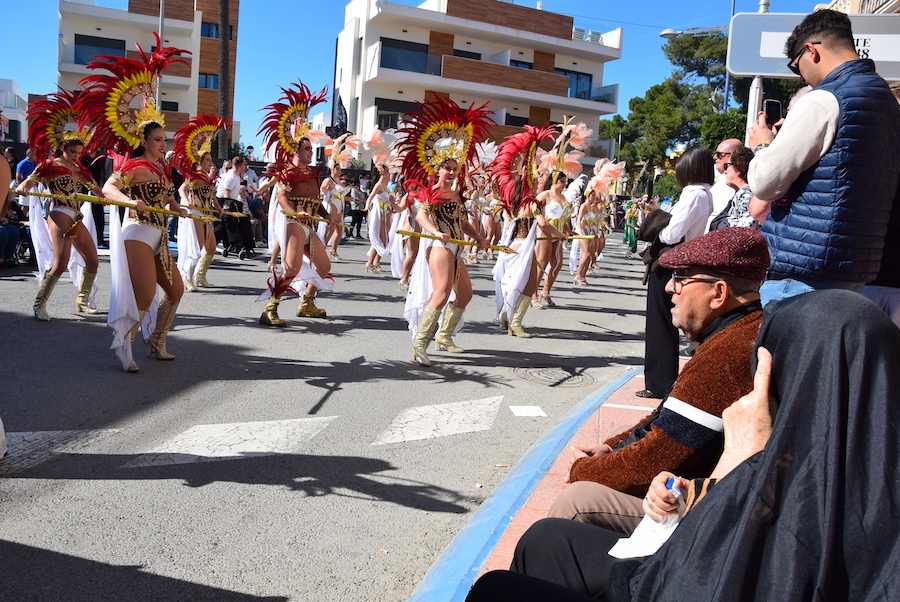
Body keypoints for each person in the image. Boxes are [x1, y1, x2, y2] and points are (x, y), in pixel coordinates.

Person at [467, 288, 900, 601]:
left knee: (498, 584)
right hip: (685, 550)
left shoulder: (755, 414)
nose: (670, 287)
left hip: (680, 577)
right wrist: (690, 492)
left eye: (683, 276)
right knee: (548, 540)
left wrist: (736, 464)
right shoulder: (860, 454)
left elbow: (710, 574)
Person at [548, 226, 766, 534]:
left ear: (718, 293)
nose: (669, 289)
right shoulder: (738, 332)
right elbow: (666, 418)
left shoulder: (728, 355)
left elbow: (655, 458)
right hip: (710, 498)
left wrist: (583, 469)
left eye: (682, 278)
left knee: (576, 501)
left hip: (709, 518)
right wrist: (611, 448)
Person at [748, 9, 900, 306]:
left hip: (803, 269)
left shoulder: (824, 99)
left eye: (796, 67)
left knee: (777, 352)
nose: (801, 76)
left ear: (810, 51)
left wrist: (763, 146)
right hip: (858, 267)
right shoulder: (885, 100)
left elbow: (765, 184)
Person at [81, 34, 190, 372]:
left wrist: (178, 208)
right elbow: (107, 189)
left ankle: (157, 340)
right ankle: (124, 345)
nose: (163, 144)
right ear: (144, 140)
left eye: (165, 140)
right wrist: (130, 200)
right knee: (144, 296)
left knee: (176, 290)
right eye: (158, 140)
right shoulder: (133, 165)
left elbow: (169, 199)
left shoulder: (161, 168)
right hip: (137, 233)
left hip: (158, 236)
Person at [398, 96, 493, 367]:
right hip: (439, 248)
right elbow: (421, 214)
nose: (451, 172)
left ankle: (444, 336)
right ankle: (419, 344)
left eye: (454, 168)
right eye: (447, 168)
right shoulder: (435, 191)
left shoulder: (456, 194)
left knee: (465, 295)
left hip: (456, 249)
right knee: (440, 294)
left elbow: (463, 223)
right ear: (437, 168)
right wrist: (436, 233)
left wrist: (480, 238)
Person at [16, 90, 102, 320]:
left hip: (76, 215)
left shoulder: (81, 170)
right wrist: (24, 186)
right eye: (73, 152)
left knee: (93, 261)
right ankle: (39, 304)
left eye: (79, 153)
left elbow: (97, 190)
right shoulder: (49, 166)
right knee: (61, 263)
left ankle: (82, 301)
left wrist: (122, 197)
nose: (76, 156)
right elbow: (28, 181)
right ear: (62, 148)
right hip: (59, 214)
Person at [638, 144, 714, 399]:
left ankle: (659, 383)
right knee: (667, 321)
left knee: (659, 323)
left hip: (669, 259)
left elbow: (672, 233)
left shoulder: (693, 193)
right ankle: (661, 381)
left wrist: (657, 223)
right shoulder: (705, 194)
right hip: (684, 260)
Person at [257, 81, 335, 326]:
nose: (311, 152)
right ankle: (270, 309)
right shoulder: (288, 172)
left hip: (308, 224)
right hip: (293, 223)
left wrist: (327, 214)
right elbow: (281, 197)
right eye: (307, 148)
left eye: (312, 148)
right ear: (296, 149)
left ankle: (306, 303)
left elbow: (316, 201)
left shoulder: (312, 173)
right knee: (291, 268)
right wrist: (295, 213)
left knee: (324, 264)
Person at [491, 124, 564, 338]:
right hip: (523, 247)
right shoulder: (531, 203)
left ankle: (506, 317)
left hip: (512, 246)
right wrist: (560, 234)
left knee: (512, 283)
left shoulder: (515, 202)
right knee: (529, 284)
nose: (538, 184)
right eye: (535, 181)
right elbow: (542, 224)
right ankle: (515, 323)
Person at [172, 115, 229, 292]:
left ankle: (200, 276)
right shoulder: (194, 176)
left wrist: (218, 207)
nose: (210, 163)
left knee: (211, 247)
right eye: (208, 160)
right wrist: (187, 202)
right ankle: (186, 277)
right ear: (200, 161)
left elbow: (211, 196)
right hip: (195, 213)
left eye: (210, 160)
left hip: (207, 214)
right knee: (196, 247)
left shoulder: (207, 178)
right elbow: (181, 189)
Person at [709, 146, 759, 231]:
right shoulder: (741, 193)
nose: (725, 172)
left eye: (727, 166)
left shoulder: (746, 195)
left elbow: (745, 230)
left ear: (738, 168)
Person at [706, 138, 743, 229]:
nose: (714, 157)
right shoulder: (713, 174)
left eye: (719, 154)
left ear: (734, 156)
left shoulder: (736, 184)